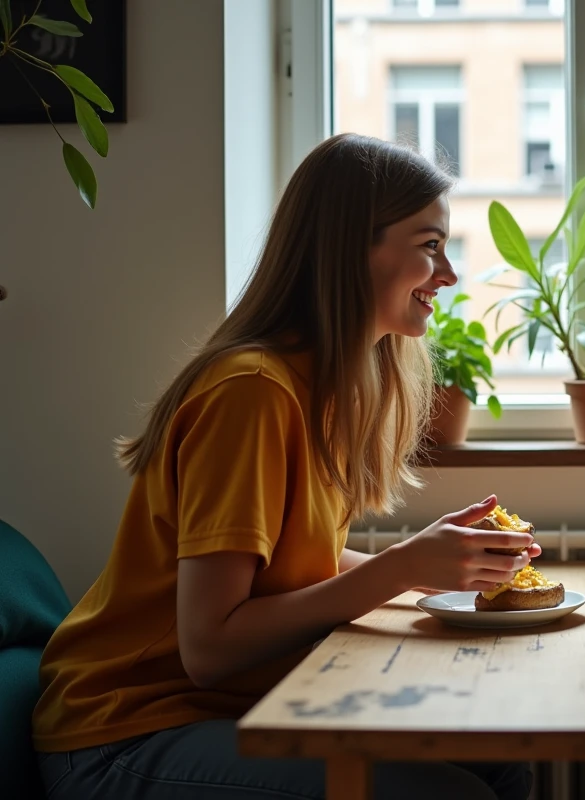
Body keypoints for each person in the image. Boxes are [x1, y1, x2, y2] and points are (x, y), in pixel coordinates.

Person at [32, 134, 533, 800]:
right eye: (430, 245)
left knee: (501, 760)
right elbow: (210, 649)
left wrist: (434, 567)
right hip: (125, 732)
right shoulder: (253, 391)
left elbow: (292, 564)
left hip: (222, 711)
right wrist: (401, 568)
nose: (448, 275)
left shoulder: (319, 387)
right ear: (350, 249)